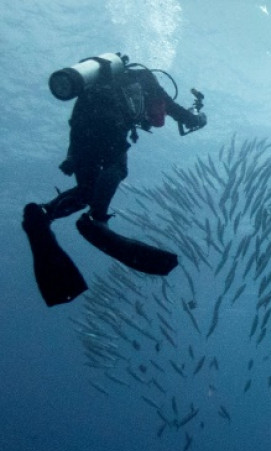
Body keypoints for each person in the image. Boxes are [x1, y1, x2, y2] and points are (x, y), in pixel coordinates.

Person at [22, 54, 207, 306]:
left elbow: (79, 118)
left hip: (80, 128)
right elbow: (178, 113)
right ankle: (96, 219)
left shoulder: (101, 83)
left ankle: (42, 215)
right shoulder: (146, 80)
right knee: (117, 168)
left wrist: (72, 156)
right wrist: (199, 118)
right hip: (108, 120)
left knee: (86, 190)